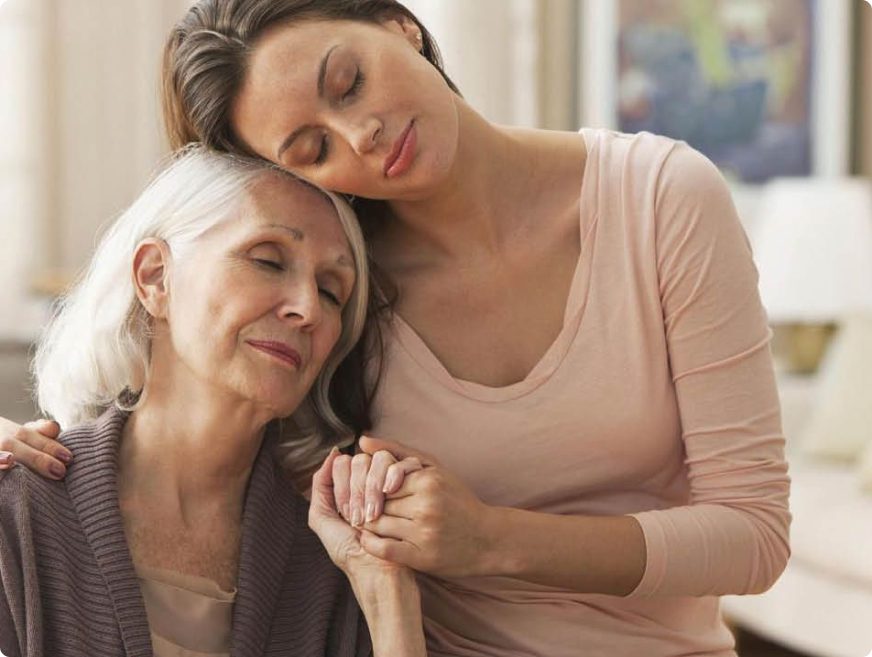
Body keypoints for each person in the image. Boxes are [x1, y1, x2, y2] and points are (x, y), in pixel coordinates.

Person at [0, 1, 791, 655]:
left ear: (397, 24)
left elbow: (753, 532)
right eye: (311, 149)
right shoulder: (341, 293)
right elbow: (204, 422)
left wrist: (491, 541)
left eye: (347, 82)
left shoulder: (661, 200)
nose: (360, 137)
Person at [0, 147, 427, 657]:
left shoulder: (334, 557)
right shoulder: (18, 514)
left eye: (332, 290)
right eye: (268, 260)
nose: (308, 308)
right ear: (156, 277)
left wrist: (387, 596)